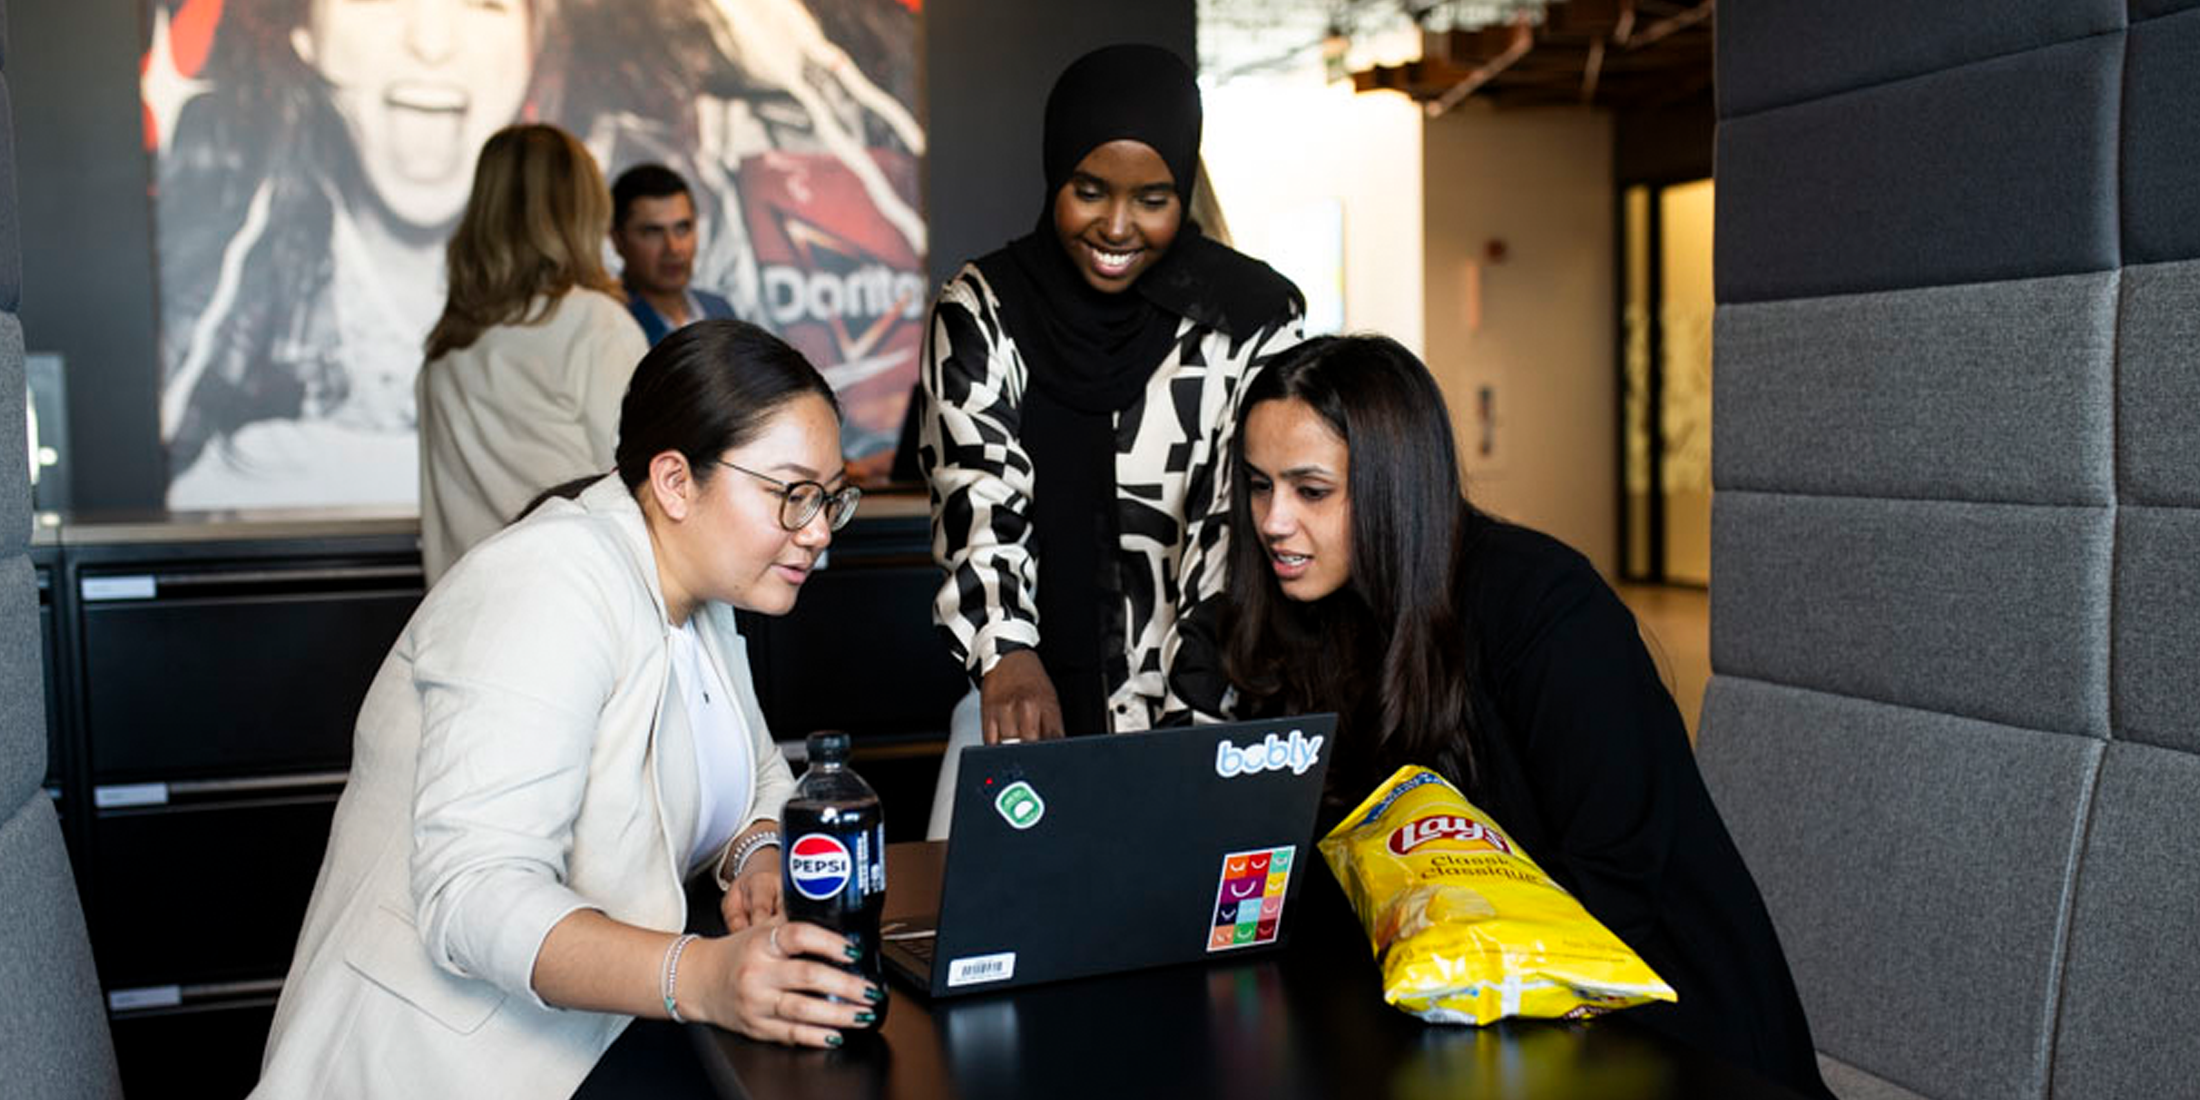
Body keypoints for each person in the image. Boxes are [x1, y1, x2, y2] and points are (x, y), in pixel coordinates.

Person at [1198, 333, 1834, 1099]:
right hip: (1477, 1006)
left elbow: (1614, 885)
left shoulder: (1545, 606)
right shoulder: (1320, 615)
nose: (1272, 520)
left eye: (1310, 490)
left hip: (1660, 1025)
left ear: (1395, 484)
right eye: (1260, 486)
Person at [253, 320, 874, 1100]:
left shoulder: (704, 599)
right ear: (676, 481)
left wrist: (757, 856)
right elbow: (474, 897)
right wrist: (701, 974)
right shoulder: (546, 586)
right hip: (459, 1063)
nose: (817, 531)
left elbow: (754, 781)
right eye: (791, 494)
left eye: (829, 498)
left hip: (601, 1035)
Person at [917, 44, 1304, 835]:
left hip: (1210, 697)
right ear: (1056, 172)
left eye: (1153, 199)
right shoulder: (985, 305)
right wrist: (1005, 653)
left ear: (1185, 191)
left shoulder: (1251, 317)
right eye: (1088, 191)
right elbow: (974, 484)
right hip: (1035, 700)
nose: (1117, 226)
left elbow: (1242, 520)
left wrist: (1200, 707)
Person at [416, 123, 651, 584]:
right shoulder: (595, 323)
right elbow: (651, 495)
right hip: (573, 612)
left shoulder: (445, 348)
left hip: (465, 619)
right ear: (584, 210)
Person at [610, 163, 741, 344]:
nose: (673, 248)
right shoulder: (609, 322)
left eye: (682, 228)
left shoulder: (719, 310)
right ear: (617, 240)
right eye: (653, 232)